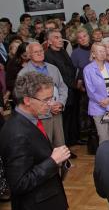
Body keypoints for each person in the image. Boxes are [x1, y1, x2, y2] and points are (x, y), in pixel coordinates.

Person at [0, 72, 70, 210]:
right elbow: (19, 183)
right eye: (46, 100)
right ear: (27, 100)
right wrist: (53, 161)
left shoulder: (30, 120)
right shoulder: (17, 133)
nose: (50, 104)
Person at [19, 42, 68, 148]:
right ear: (29, 55)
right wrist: (45, 107)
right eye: (36, 52)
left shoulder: (53, 68)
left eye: (41, 51)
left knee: (60, 144)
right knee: (44, 146)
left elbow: (63, 87)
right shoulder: (24, 73)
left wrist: (60, 103)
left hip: (56, 112)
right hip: (39, 116)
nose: (40, 53)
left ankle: (63, 164)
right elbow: (23, 97)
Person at [44, 29, 80, 149]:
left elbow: (71, 68)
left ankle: (73, 140)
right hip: (62, 91)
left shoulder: (63, 51)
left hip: (71, 88)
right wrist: (73, 84)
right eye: (56, 38)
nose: (60, 40)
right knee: (64, 121)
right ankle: (65, 145)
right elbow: (58, 76)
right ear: (49, 41)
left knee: (72, 117)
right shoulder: (48, 55)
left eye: (60, 37)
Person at [83, 43, 109, 144]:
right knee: (103, 138)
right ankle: (104, 159)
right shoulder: (88, 69)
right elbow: (90, 91)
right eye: (100, 51)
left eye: (104, 51)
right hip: (98, 107)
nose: (102, 53)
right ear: (93, 54)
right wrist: (105, 103)